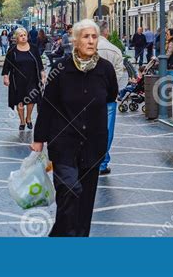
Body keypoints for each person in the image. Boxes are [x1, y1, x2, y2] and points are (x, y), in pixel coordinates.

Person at [31, 19, 118, 237]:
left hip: (93, 145)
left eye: (94, 36)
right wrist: (38, 140)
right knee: (70, 191)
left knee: (85, 201)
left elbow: (111, 95)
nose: (90, 41)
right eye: (86, 36)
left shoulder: (105, 69)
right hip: (64, 143)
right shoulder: (61, 68)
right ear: (75, 40)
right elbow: (47, 106)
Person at [97, 23, 127, 175]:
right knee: (107, 130)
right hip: (109, 95)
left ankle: (97, 160)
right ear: (107, 32)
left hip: (90, 95)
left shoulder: (90, 47)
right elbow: (119, 73)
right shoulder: (115, 49)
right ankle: (102, 163)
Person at [2, 27, 45, 131]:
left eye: (24, 35)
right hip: (17, 80)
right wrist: (6, 76)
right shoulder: (12, 49)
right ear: (16, 38)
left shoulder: (33, 48)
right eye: (21, 36)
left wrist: (43, 76)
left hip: (32, 78)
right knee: (20, 101)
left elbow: (39, 63)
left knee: (32, 100)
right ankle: (22, 121)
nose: (23, 37)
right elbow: (7, 65)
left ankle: (29, 118)